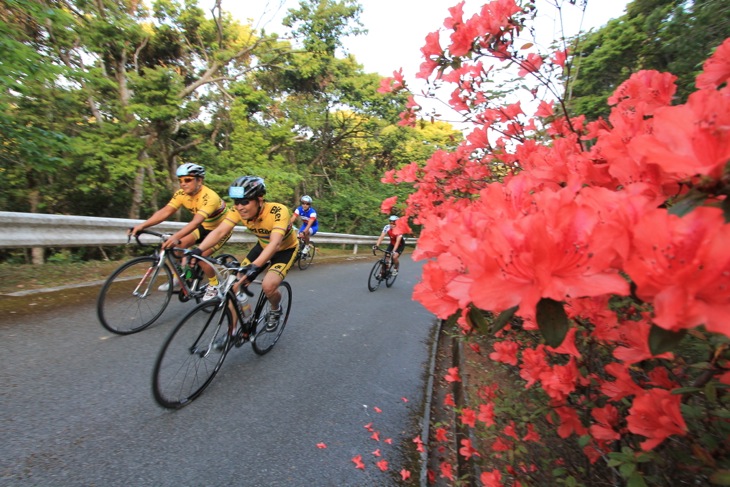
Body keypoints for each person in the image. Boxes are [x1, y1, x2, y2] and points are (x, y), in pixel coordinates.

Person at [190, 176, 298, 333]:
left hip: (284, 250)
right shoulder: (237, 211)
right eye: (236, 202)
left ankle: (275, 309)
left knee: (268, 286)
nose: (239, 207)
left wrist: (254, 266)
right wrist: (199, 250)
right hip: (261, 247)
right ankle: (232, 332)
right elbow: (220, 231)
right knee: (233, 286)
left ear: (259, 199)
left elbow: (275, 243)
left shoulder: (278, 211)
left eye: (245, 202)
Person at [129, 163, 232, 297]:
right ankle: (180, 277)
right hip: (205, 226)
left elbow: (196, 222)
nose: (183, 184)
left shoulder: (209, 197)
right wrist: (142, 226)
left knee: (201, 257)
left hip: (220, 230)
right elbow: (165, 212)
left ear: (199, 180)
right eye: (181, 180)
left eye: (188, 180)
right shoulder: (181, 194)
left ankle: (214, 285)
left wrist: (175, 236)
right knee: (177, 247)